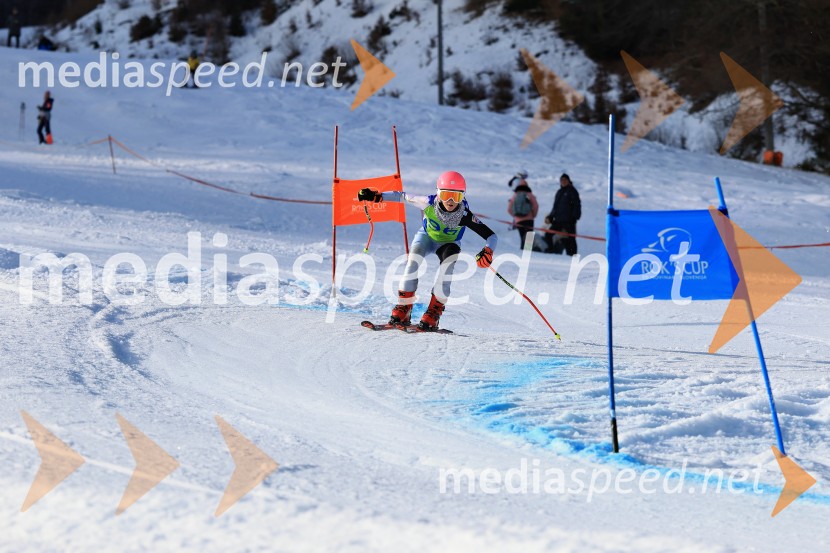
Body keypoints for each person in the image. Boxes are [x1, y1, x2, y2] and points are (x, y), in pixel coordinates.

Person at [357, 171, 498, 330]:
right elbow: (401, 196)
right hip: (426, 238)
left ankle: (433, 312)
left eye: (456, 197)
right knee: (412, 263)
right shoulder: (428, 202)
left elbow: (491, 236)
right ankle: (404, 309)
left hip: (449, 243)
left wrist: (488, 251)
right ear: (438, 194)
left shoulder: (465, 215)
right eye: (446, 195)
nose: (451, 201)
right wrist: (378, 196)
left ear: (463, 197)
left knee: (446, 270)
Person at [544, 173, 581, 256]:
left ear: (568, 181)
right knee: (548, 235)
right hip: (558, 220)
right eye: (561, 180)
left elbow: (577, 205)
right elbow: (555, 207)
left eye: (565, 180)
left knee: (570, 239)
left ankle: (572, 256)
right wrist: (550, 217)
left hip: (569, 221)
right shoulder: (559, 192)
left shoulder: (572, 191)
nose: (563, 182)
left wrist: (575, 217)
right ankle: (550, 252)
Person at [507, 177, 538, 249]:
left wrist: (515, 216)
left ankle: (522, 254)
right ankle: (527, 255)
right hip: (529, 219)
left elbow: (509, 209)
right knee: (529, 239)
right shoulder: (529, 194)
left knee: (522, 237)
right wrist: (533, 215)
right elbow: (536, 206)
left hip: (519, 221)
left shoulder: (515, 195)